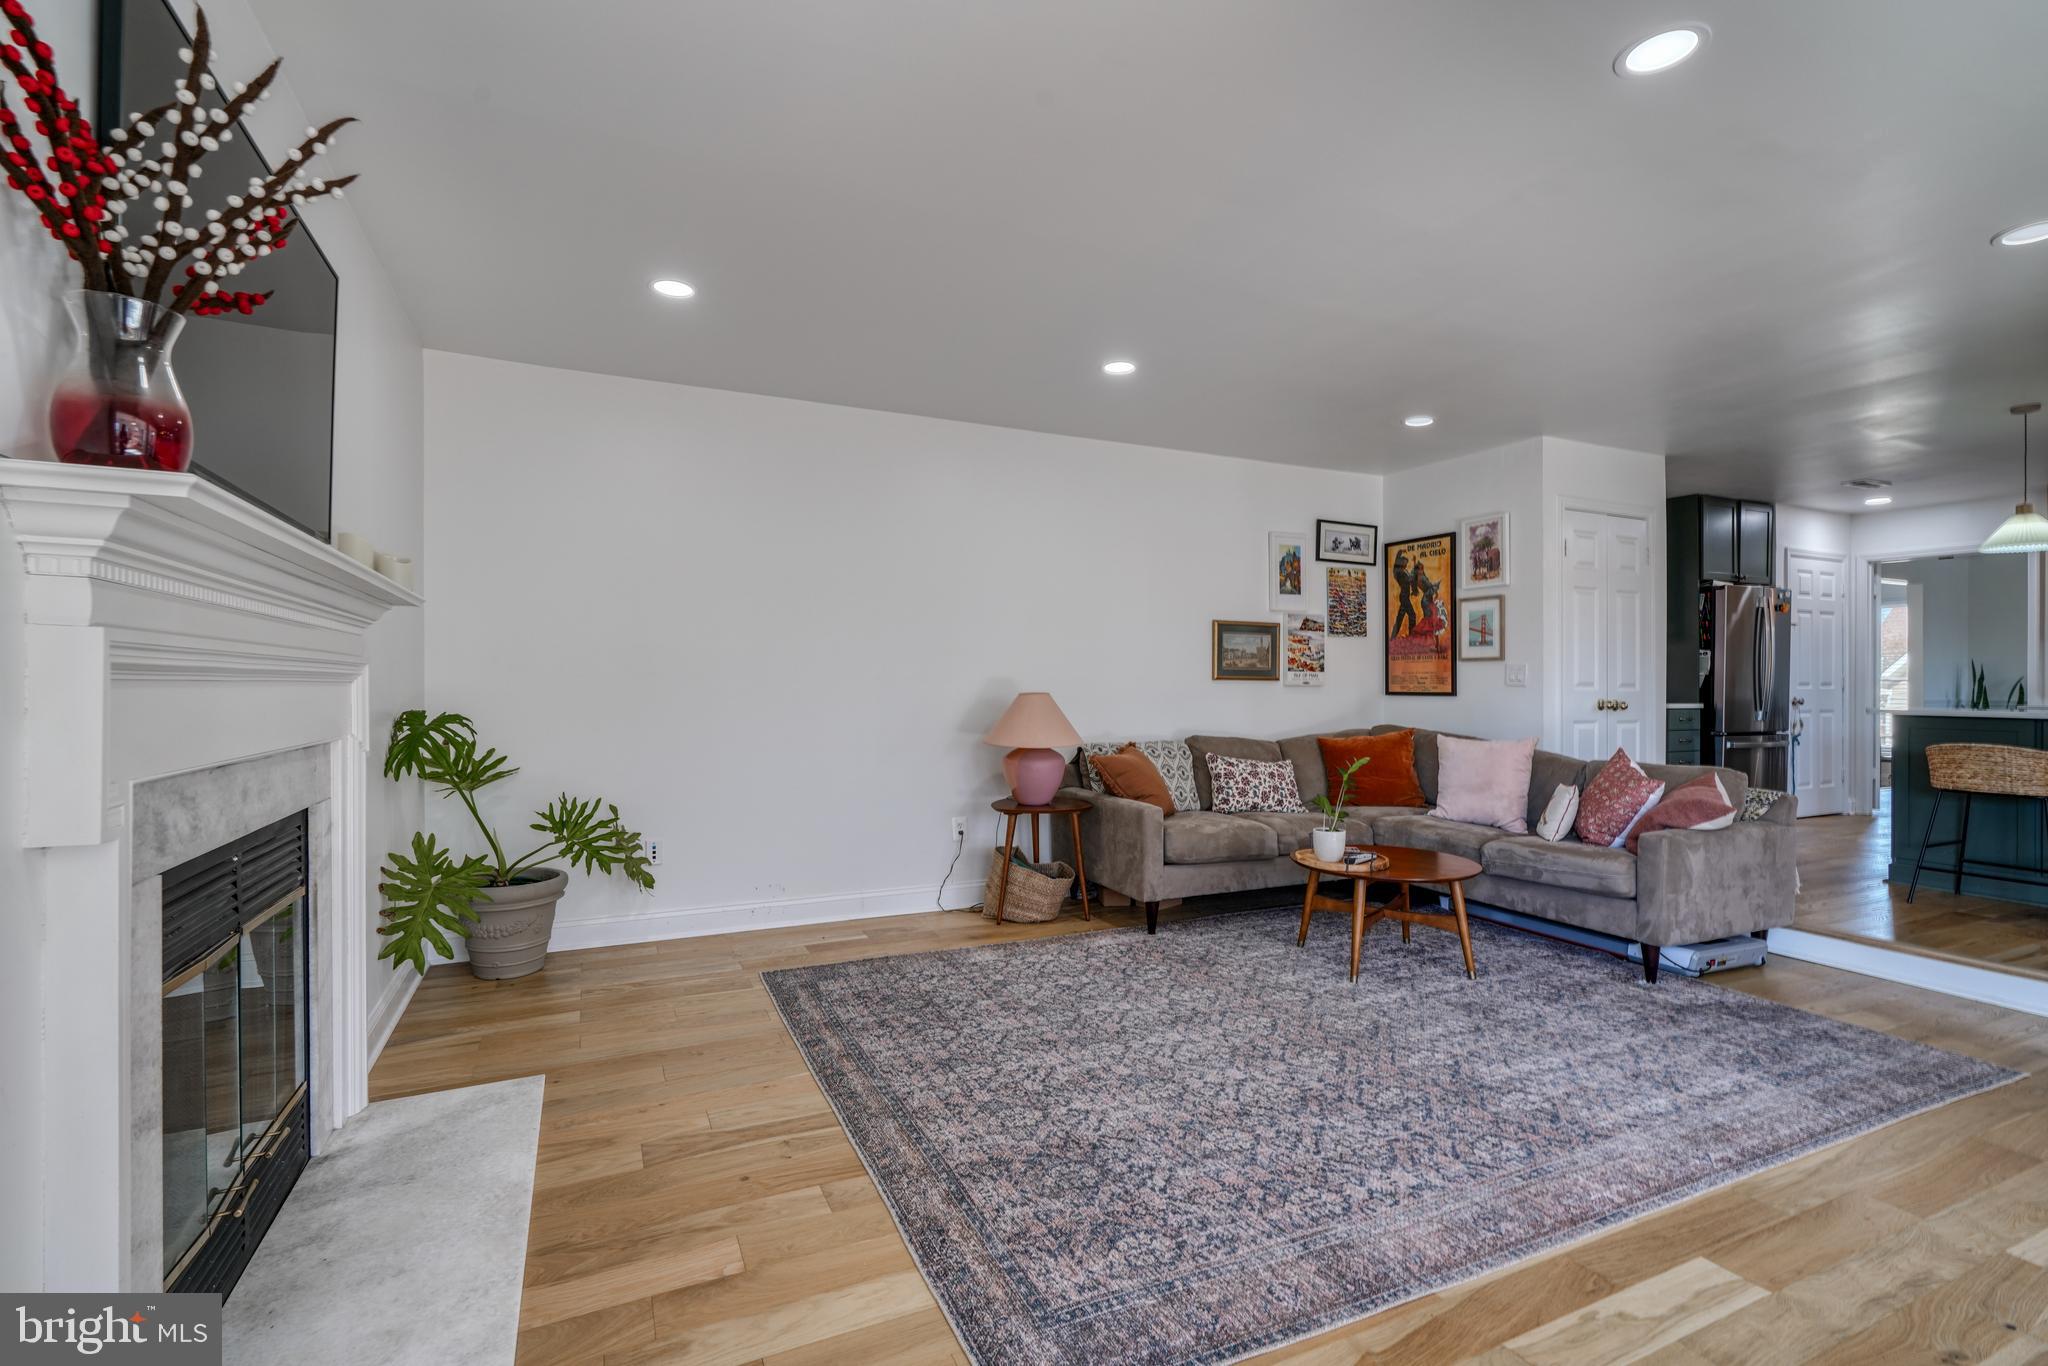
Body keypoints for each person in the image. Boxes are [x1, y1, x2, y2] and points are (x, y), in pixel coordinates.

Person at [1391, 551, 1419, 640]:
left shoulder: (1404, 571)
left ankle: (1392, 638)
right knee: (1412, 615)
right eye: (1404, 562)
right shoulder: (1399, 573)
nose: (1406, 564)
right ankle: (1411, 637)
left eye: (1406, 562)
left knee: (1400, 618)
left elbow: (1412, 576)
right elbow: (1411, 577)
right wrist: (1399, 553)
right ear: (1401, 563)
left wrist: (1414, 563)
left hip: (1404, 597)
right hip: (1404, 597)